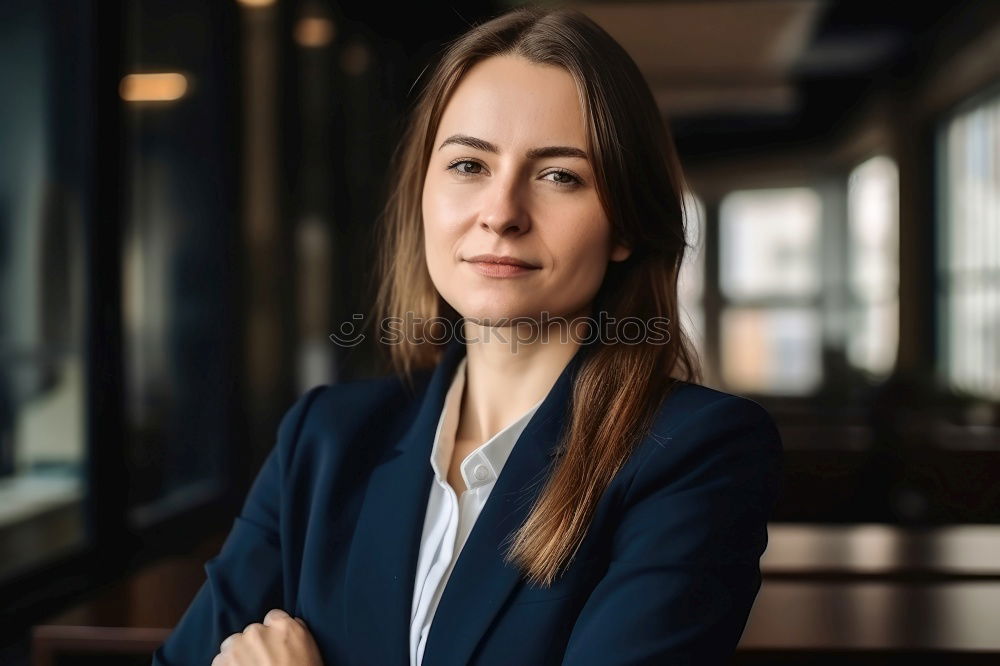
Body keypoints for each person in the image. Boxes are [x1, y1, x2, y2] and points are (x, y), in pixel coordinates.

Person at [152, 5, 784, 665]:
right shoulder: (324, 438)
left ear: (626, 224)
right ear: (422, 190)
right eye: (468, 166)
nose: (502, 214)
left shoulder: (696, 453)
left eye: (559, 176)